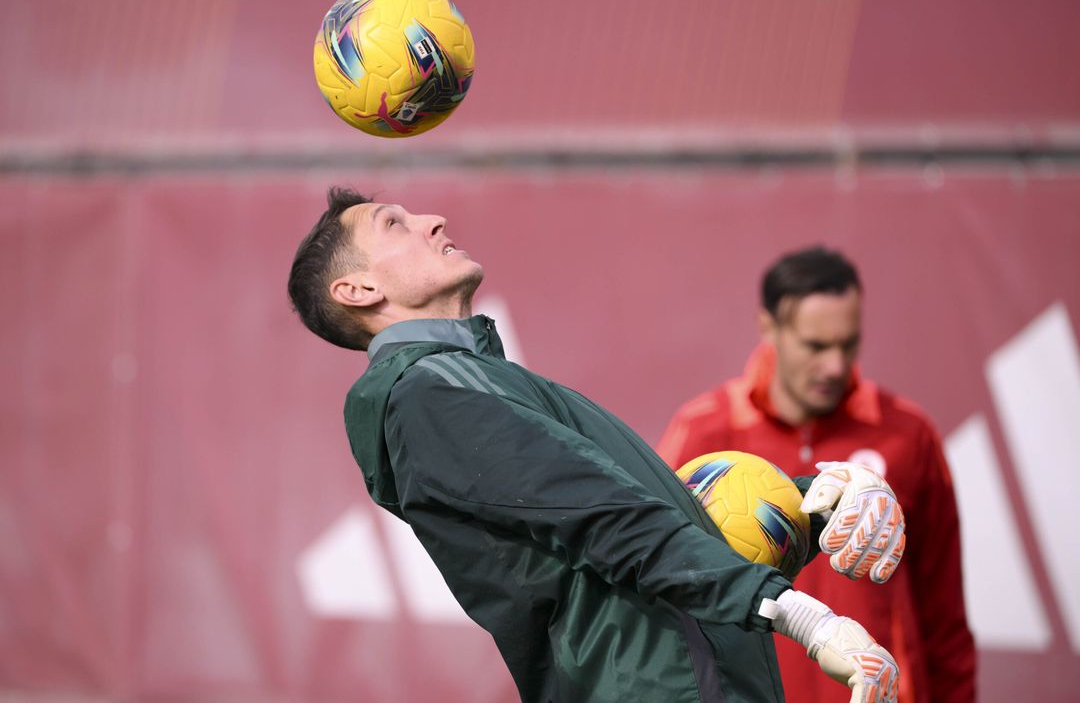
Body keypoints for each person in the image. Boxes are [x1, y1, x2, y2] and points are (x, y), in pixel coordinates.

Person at [287, 188, 905, 703]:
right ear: (358, 290)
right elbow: (608, 520)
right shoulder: (423, 396)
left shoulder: (469, 382)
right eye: (395, 224)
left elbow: (665, 514)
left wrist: (820, 503)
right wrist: (802, 616)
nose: (433, 220)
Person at [657, 246, 976, 703]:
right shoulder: (703, 431)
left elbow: (944, 615)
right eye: (816, 346)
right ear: (768, 326)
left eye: (849, 344)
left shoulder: (908, 434)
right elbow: (660, 581)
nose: (836, 366)